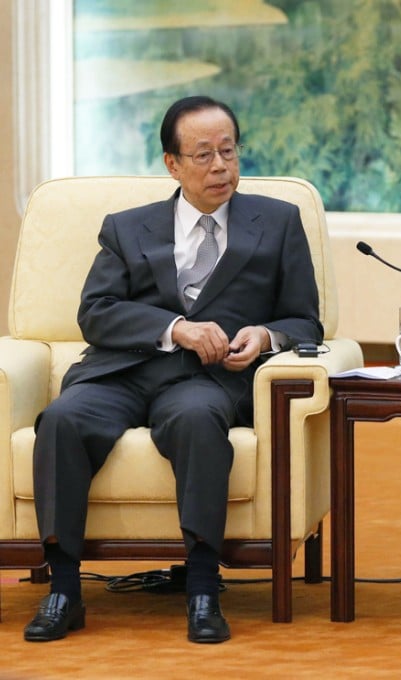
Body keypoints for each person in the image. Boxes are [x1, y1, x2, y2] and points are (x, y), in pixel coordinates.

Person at [23, 96, 324, 644]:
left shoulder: (279, 223)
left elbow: (305, 322)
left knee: (196, 423)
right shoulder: (127, 228)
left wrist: (265, 337)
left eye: (228, 152)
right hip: (122, 373)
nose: (220, 168)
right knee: (63, 419)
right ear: (172, 163)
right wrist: (175, 328)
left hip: (205, 381)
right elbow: (96, 313)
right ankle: (63, 589)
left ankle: (204, 590)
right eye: (204, 155)